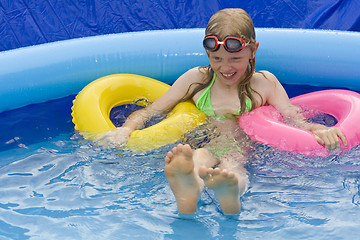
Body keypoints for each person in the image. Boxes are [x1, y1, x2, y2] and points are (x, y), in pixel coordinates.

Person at [98, 8, 347, 215]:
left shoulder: (265, 83)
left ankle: (228, 193)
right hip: (204, 139)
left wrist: (320, 130)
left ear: (253, 50)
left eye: (235, 59)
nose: (225, 67)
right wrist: (126, 129)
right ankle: (189, 189)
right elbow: (150, 111)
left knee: (233, 166)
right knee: (197, 157)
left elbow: (296, 120)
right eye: (216, 59)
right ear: (208, 53)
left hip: (242, 146)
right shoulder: (196, 80)